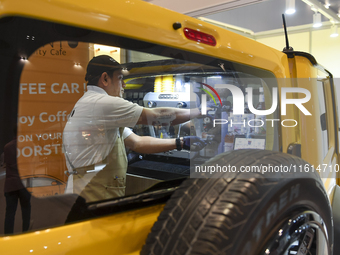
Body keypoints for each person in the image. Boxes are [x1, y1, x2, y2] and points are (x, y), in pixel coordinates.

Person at [63, 55, 207, 202]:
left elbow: (136, 142)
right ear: (105, 79)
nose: (124, 85)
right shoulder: (102, 103)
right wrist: (199, 111)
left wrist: (180, 142)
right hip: (92, 195)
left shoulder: (91, 103)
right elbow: (157, 115)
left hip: (89, 191)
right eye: (120, 78)